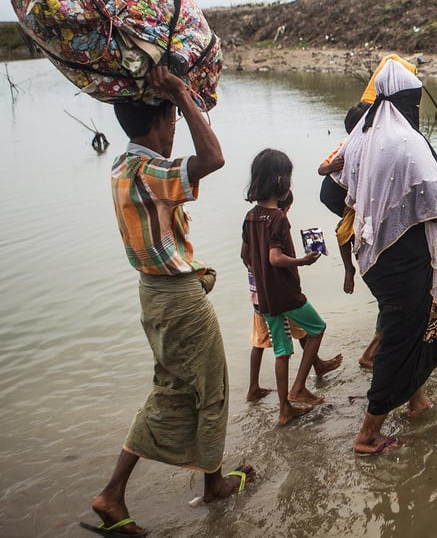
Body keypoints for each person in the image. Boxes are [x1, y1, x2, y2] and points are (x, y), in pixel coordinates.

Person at [83, 66, 250, 537]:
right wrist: (180, 92)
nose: (175, 128)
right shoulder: (150, 172)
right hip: (178, 300)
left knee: (170, 389)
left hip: (152, 295)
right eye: (172, 119)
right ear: (160, 121)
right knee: (212, 390)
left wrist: (176, 101)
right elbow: (214, 157)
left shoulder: (121, 166)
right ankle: (214, 485)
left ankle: (112, 495)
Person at [336, 59, 437, 455]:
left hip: (372, 256)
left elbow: (334, 191)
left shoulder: (360, 136)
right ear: (408, 101)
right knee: (401, 338)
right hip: (403, 259)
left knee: (410, 329)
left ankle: (416, 399)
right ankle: (368, 434)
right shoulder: (407, 141)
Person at [242, 148, 342, 427]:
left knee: (281, 350)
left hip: (265, 297)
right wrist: (303, 261)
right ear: (280, 181)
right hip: (286, 293)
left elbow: (246, 255)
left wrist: (260, 275)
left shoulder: (250, 216)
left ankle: (284, 409)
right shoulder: (278, 217)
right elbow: (275, 258)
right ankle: (298, 387)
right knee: (317, 328)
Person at [318, 102, 383, 369]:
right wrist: (333, 165)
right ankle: (348, 270)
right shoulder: (347, 148)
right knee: (344, 233)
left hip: (345, 200)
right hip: (341, 199)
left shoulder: (367, 146)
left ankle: (350, 268)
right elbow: (321, 169)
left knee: (345, 231)